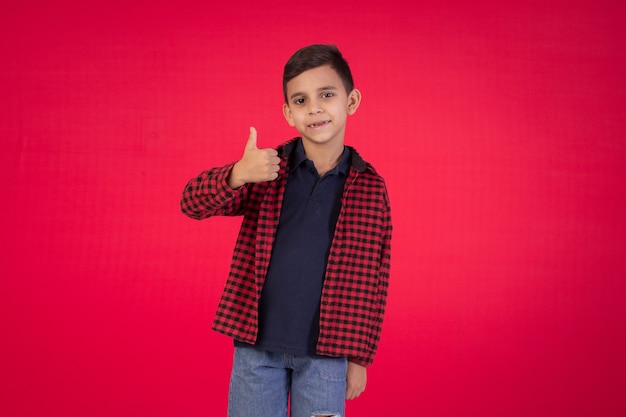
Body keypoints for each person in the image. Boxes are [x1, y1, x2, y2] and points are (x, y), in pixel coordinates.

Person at [180, 44, 392, 417]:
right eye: (300, 99)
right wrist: (236, 174)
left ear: (351, 100)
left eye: (326, 94)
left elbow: (374, 276)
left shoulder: (370, 187)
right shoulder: (266, 171)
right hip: (256, 349)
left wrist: (360, 356)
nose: (314, 108)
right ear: (288, 113)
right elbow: (191, 204)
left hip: (327, 352)